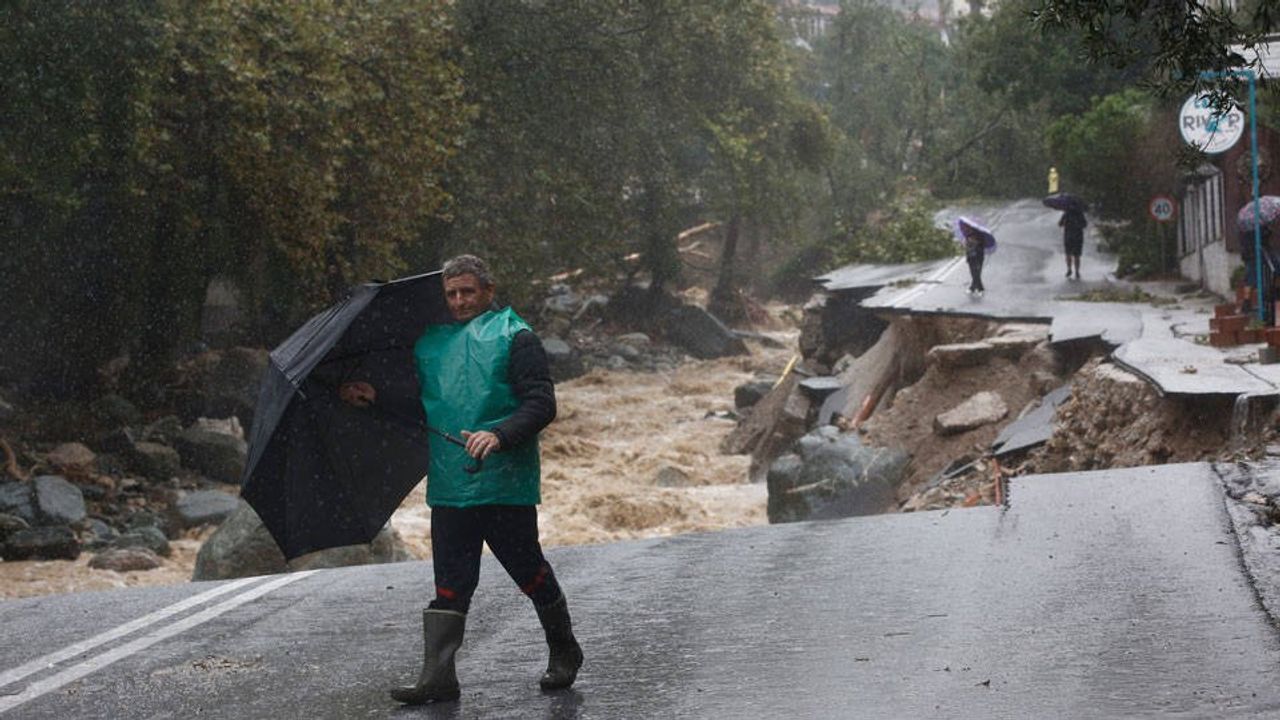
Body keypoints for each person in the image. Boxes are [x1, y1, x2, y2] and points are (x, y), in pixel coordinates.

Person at [339, 254, 583, 705]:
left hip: (503, 482)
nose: (459, 301)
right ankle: (438, 678)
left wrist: (499, 434)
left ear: (488, 292)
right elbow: (424, 407)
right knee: (450, 583)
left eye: (468, 291)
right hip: (451, 484)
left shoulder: (517, 336)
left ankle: (564, 648)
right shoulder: (431, 343)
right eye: (451, 294)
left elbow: (541, 403)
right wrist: (375, 398)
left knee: (528, 571)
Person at [1059, 208, 1088, 280]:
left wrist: (1065, 223)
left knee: (1068, 254)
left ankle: (1069, 269)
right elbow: (1085, 225)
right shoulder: (1080, 214)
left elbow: (1060, 224)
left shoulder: (1066, 213)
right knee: (1077, 255)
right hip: (1078, 236)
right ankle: (1077, 271)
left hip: (1068, 236)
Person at [961, 223, 987, 295]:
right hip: (970, 256)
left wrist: (974, 242)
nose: (965, 229)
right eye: (965, 228)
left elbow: (982, 244)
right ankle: (973, 288)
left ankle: (980, 289)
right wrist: (965, 244)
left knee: (977, 273)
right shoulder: (967, 235)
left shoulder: (979, 234)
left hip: (978, 256)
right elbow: (967, 247)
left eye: (966, 227)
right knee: (973, 273)